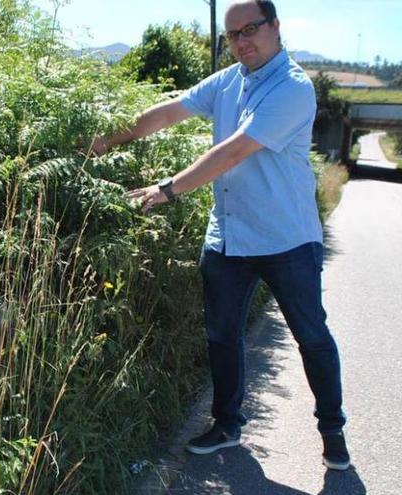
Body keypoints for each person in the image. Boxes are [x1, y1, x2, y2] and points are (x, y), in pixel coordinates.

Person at [86, 0, 350, 471]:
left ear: (275, 27)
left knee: (311, 335)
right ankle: (227, 424)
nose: (242, 41)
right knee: (222, 336)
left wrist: (169, 188)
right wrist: (109, 138)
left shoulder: (292, 88)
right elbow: (168, 112)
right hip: (228, 237)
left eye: (251, 29)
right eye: (233, 34)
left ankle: (332, 430)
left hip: (286, 239)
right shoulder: (230, 81)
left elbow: (235, 151)